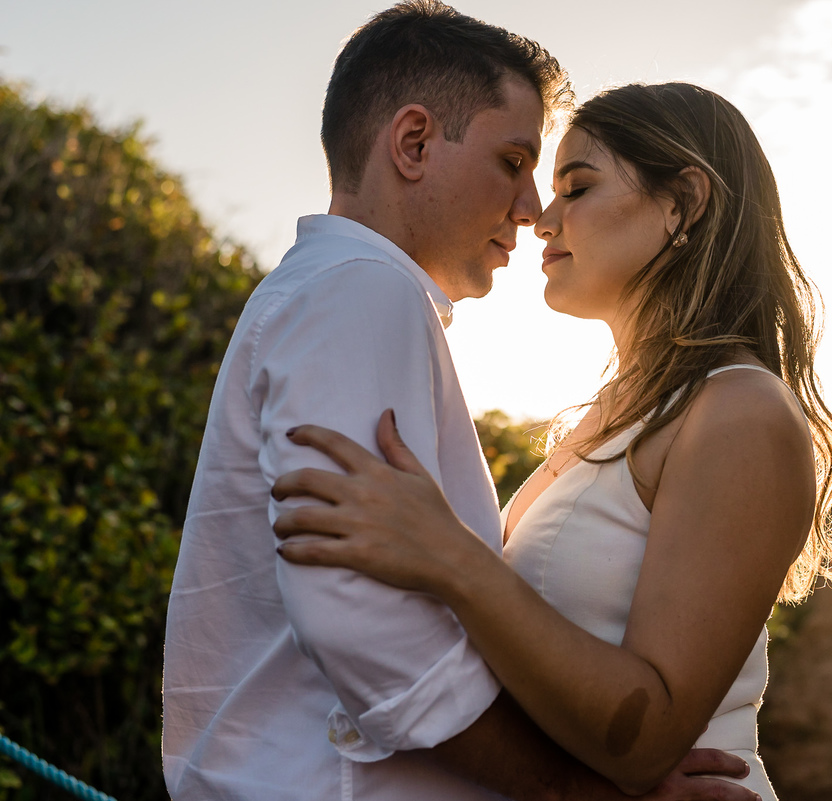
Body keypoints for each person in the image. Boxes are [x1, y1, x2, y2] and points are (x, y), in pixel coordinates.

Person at [162, 3, 756, 800]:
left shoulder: (342, 293)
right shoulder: (362, 290)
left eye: (558, 182)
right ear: (412, 143)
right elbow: (362, 614)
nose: (530, 211)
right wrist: (573, 790)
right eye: (513, 162)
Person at [271, 82, 832, 801]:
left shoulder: (740, 409)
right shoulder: (615, 413)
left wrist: (449, 553)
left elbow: (648, 738)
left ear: (685, 203)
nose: (541, 221)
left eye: (575, 188)